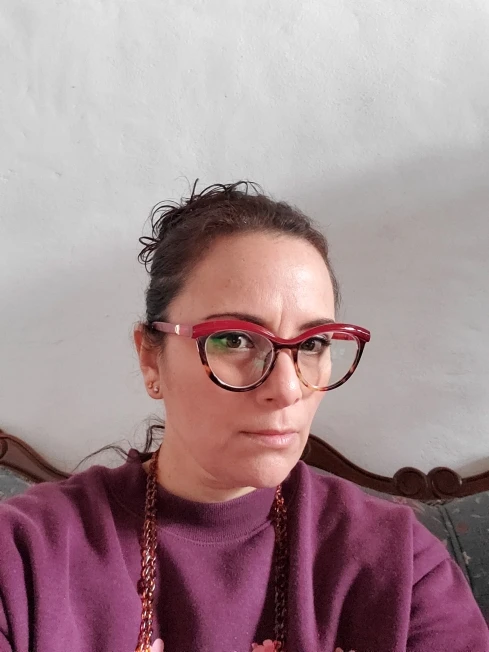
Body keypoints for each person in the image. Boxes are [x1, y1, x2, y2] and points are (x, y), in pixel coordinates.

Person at [0, 181, 487, 652]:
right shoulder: (25, 560)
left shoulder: (400, 567)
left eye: (313, 344)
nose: (287, 388)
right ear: (151, 358)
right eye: (234, 339)